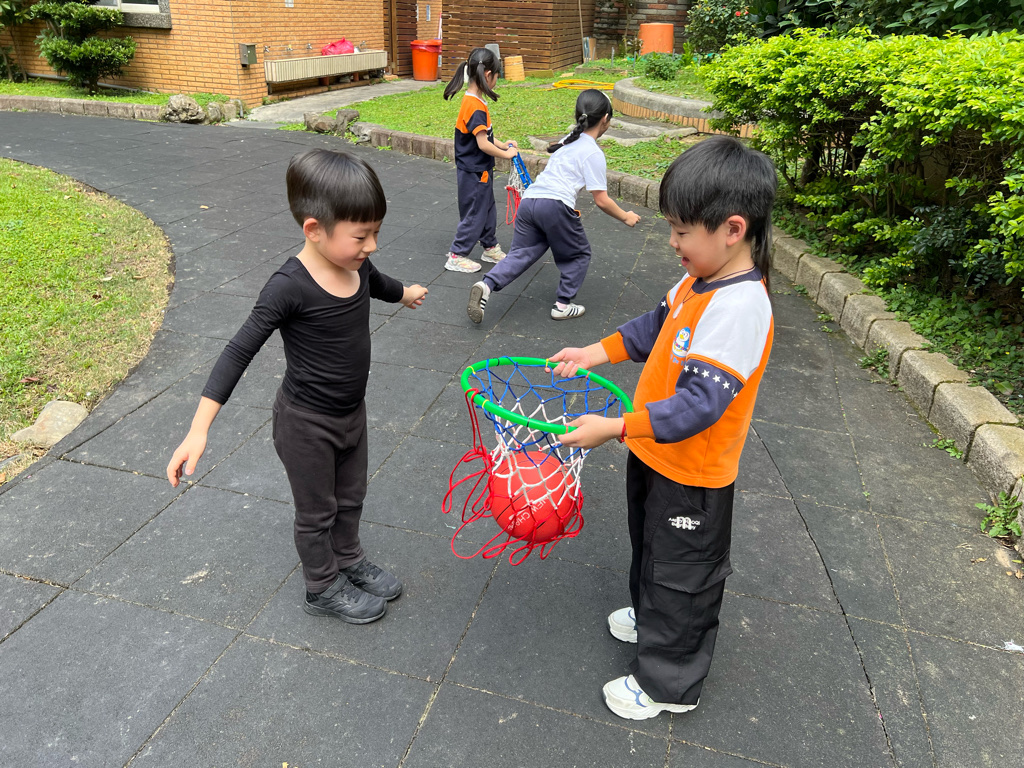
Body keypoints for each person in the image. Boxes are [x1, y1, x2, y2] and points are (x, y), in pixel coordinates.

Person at [546, 135, 777, 719]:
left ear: (732, 229)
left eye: (681, 231)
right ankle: (652, 619)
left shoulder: (740, 307)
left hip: (693, 476)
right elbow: (653, 326)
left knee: (684, 577)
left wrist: (615, 426)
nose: (672, 241)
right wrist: (593, 352)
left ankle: (669, 684)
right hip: (655, 453)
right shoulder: (697, 281)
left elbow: (699, 405)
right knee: (651, 550)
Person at [165, 149, 429, 625]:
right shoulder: (288, 286)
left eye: (376, 232)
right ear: (314, 229)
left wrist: (405, 293)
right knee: (317, 511)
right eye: (361, 235)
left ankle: (348, 557)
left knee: (351, 497)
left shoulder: (356, 266)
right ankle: (321, 585)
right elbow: (238, 351)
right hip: (305, 424)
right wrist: (198, 429)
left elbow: (380, 283)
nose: (371, 245)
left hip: (351, 414)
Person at [466, 89, 640, 323]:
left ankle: (486, 285)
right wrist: (626, 216)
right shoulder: (593, 152)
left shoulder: (567, 140)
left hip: (529, 202)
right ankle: (563, 305)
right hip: (555, 206)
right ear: (606, 119)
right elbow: (601, 200)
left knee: (522, 252)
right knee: (578, 254)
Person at [442, 47, 519, 273]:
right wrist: (507, 154)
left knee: (487, 209)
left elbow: (486, 136)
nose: (496, 81)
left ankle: (489, 246)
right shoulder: (475, 106)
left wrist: (502, 144)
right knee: (475, 212)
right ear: (487, 75)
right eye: (497, 76)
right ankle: (457, 255)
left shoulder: (474, 100)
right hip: (474, 171)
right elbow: (483, 144)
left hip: (479, 169)